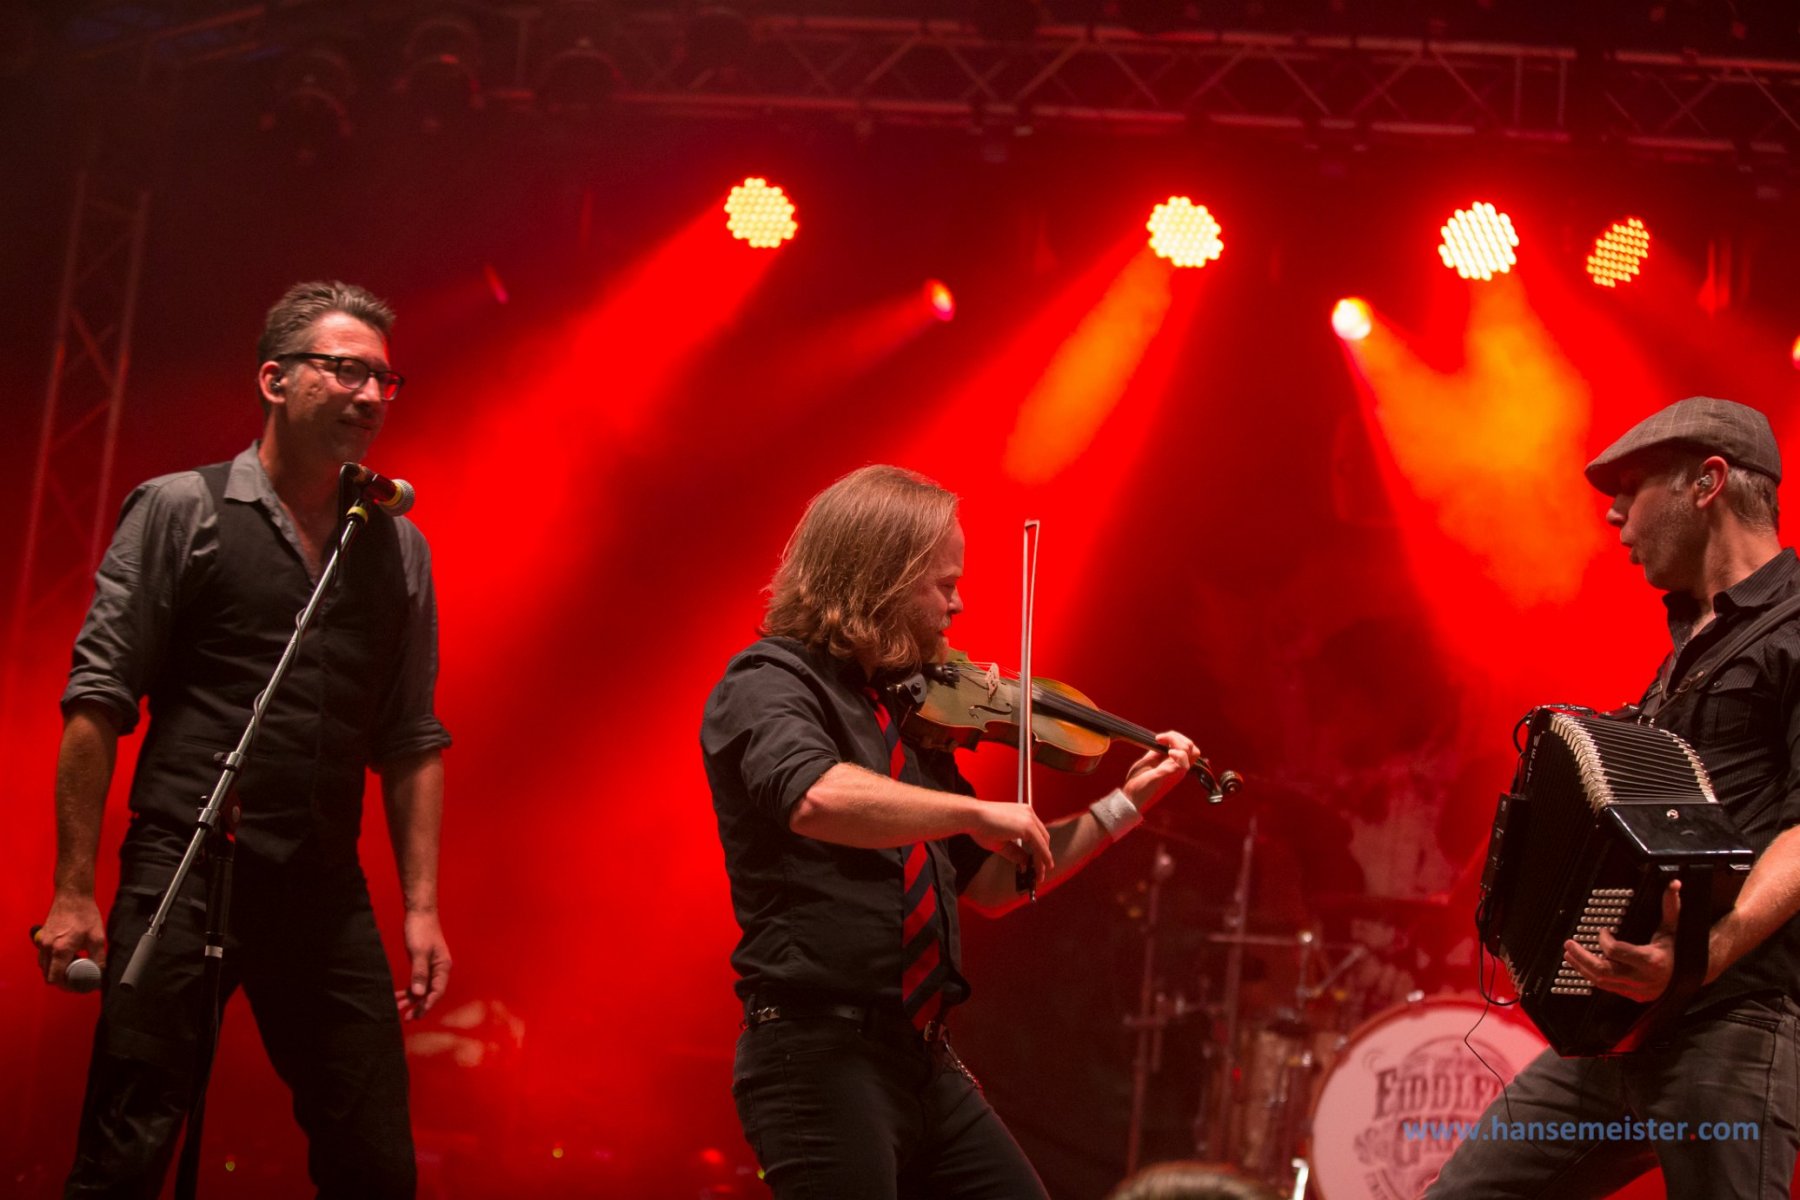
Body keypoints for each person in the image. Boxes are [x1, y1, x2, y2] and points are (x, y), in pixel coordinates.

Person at [33, 280, 451, 1198]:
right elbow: (98, 699)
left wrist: (421, 907)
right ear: (274, 379)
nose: (371, 396)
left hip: (322, 882)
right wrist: (71, 889)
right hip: (184, 867)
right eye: (345, 371)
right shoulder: (180, 508)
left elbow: (411, 737)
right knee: (128, 1147)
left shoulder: (396, 544)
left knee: (376, 1161)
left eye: (384, 380)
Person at [700, 464, 1206, 1198]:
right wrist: (974, 811)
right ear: (881, 577)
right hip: (818, 1054)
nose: (958, 604)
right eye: (943, 584)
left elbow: (996, 883)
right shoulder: (768, 682)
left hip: (921, 1059)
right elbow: (813, 795)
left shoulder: (906, 717)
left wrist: (1126, 805)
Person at [1425, 397, 1800, 1198]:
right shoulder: (1684, 655)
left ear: (1708, 482)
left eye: (1632, 487)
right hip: (1623, 1026)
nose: (1612, 513)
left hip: (1737, 1017)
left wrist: (1702, 954)